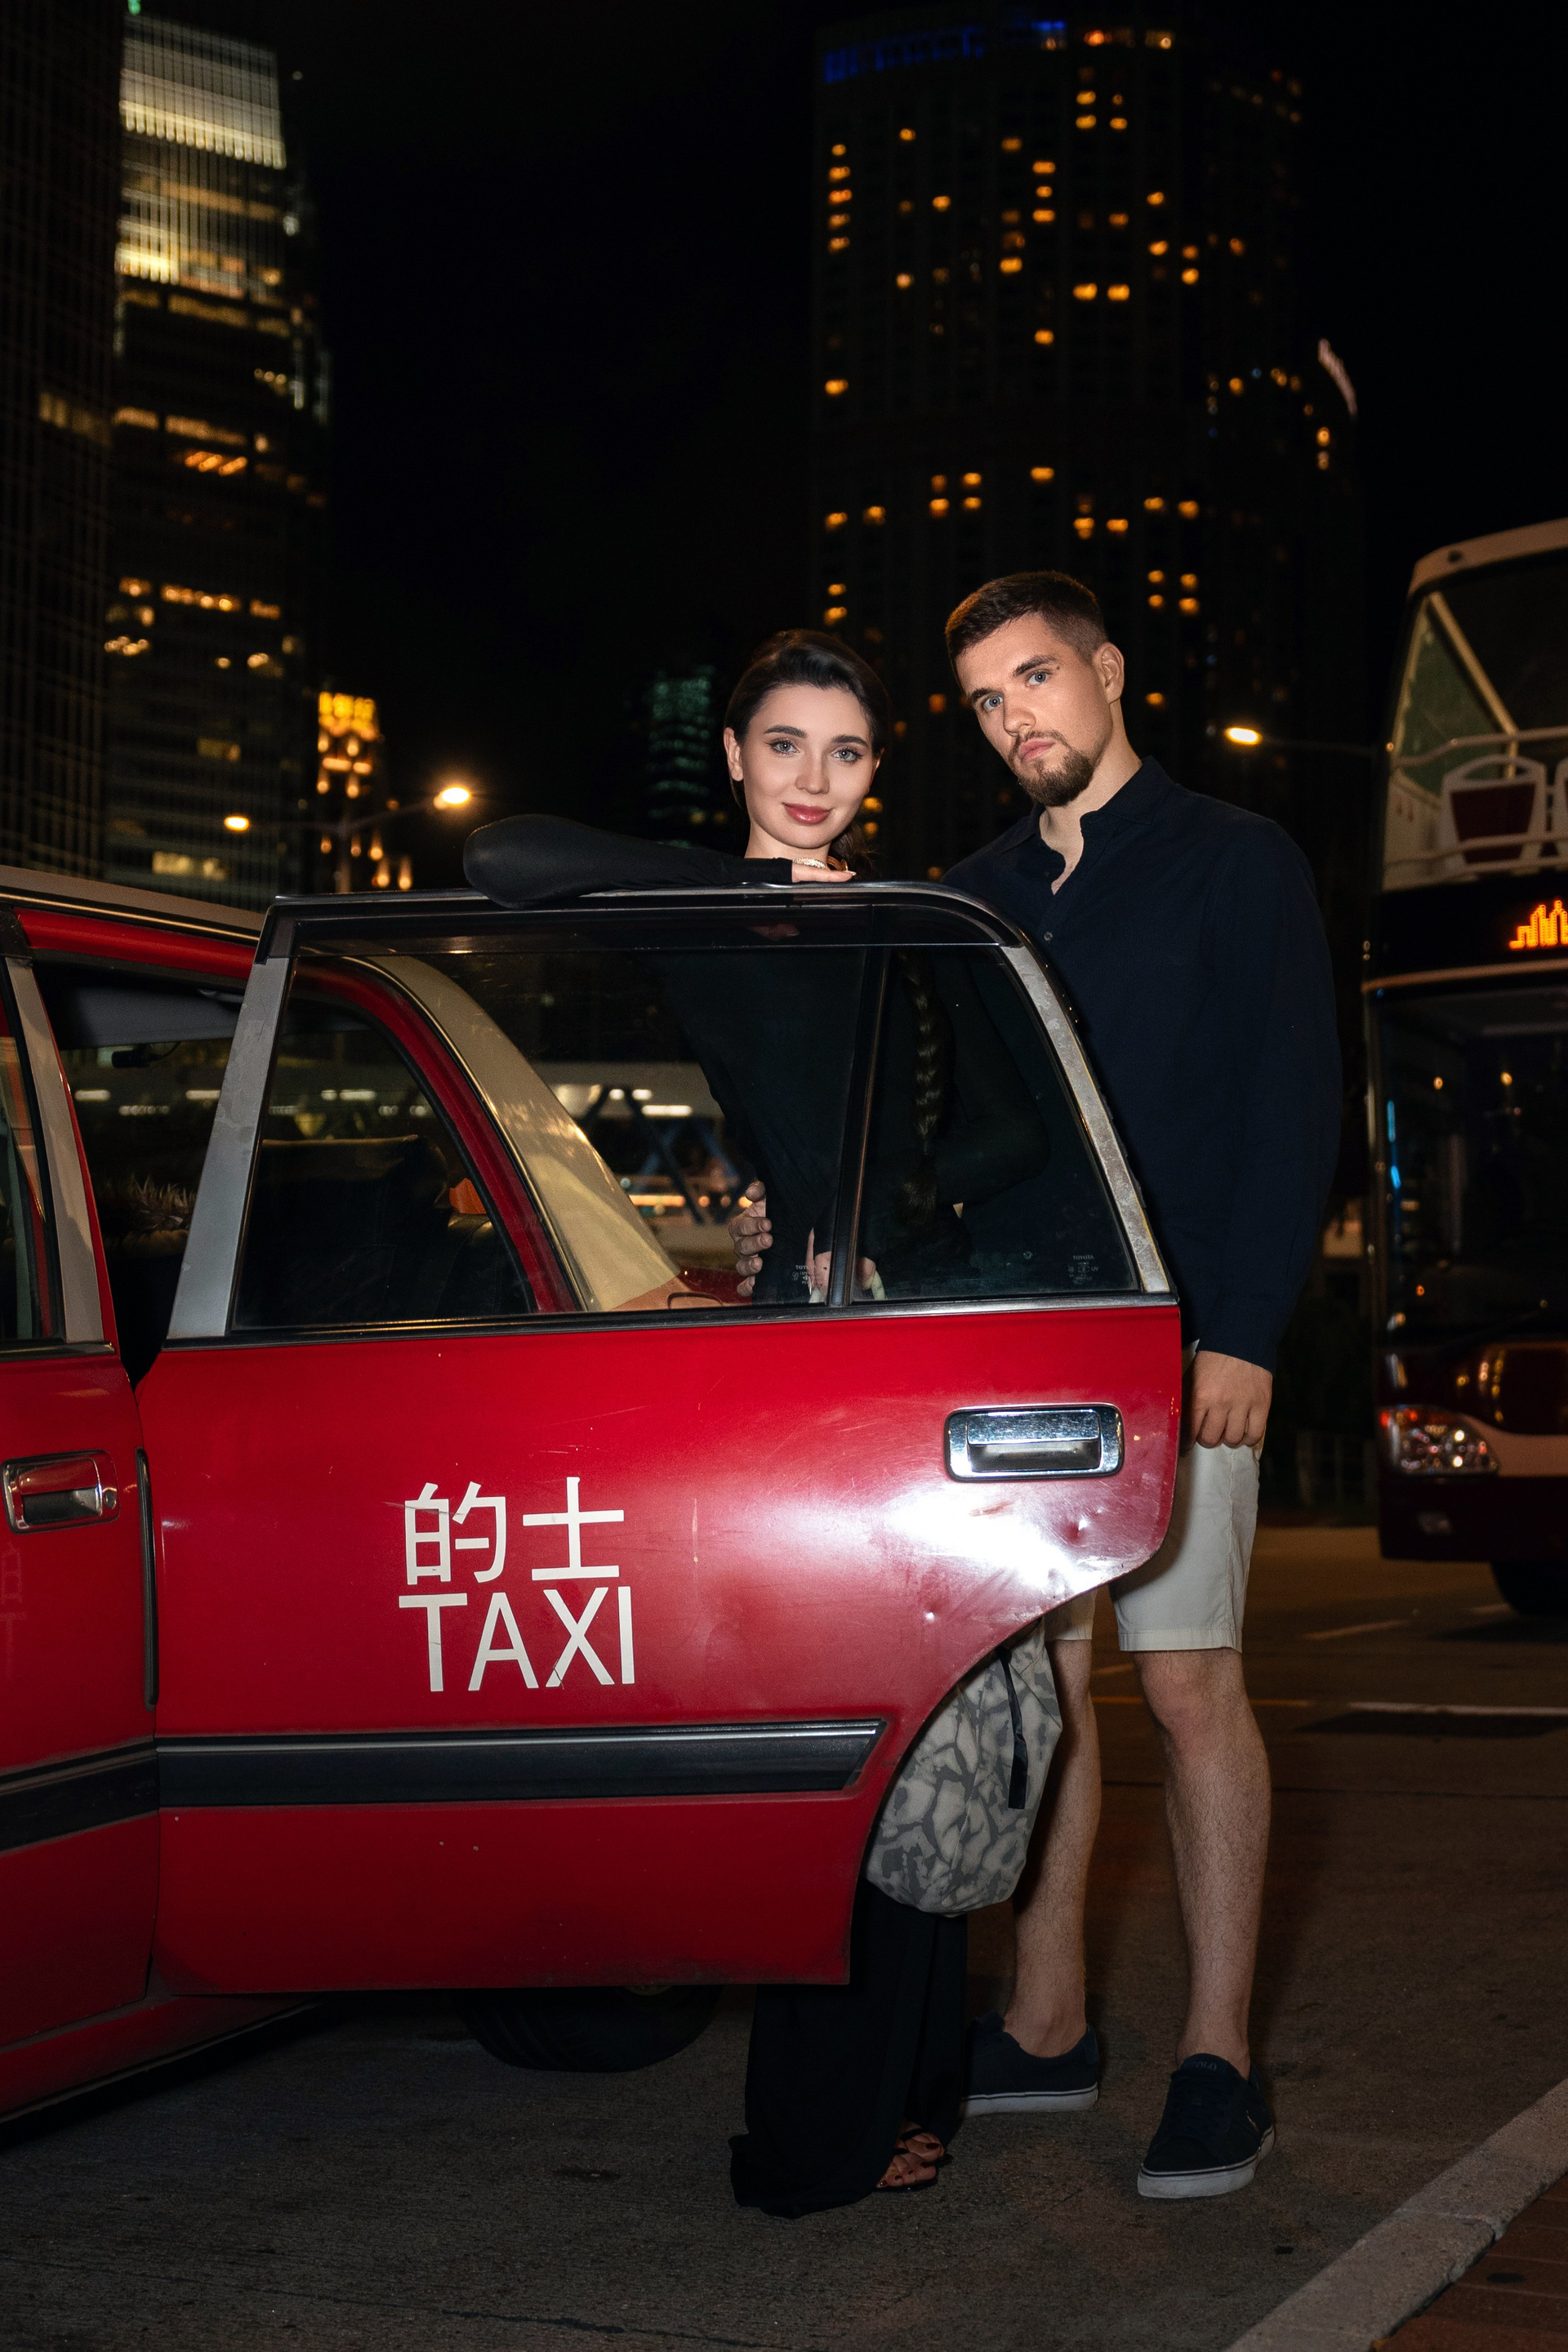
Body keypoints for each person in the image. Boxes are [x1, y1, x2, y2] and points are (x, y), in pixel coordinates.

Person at [466, 630, 977, 2207]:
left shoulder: (908, 922)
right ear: (738, 753)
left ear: (879, 770)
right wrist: (741, 881)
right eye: (785, 745)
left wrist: (898, 1231)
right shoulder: (700, 911)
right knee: (830, 1740)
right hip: (795, 1354)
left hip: (902, 1335)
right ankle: (840, 2123)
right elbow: (499, 855)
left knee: (919, 1734)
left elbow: (985, 1136)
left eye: (848, 752)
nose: (816, 781)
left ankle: (903, 2097)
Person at [937, 570, 1339, 2200]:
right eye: (986, 700)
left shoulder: (1237, 859)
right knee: (1046, 1694)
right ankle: (1046, 2024)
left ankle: (1218, 2059)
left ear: (1107, 671)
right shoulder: (973, 895)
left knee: (1186, 1685)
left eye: (1037, 677)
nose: (1015, 716)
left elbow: (1291, 1099)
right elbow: (960, 1132)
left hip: (1182, 1344)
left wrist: (1246, 1330)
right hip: (1027, 1344)